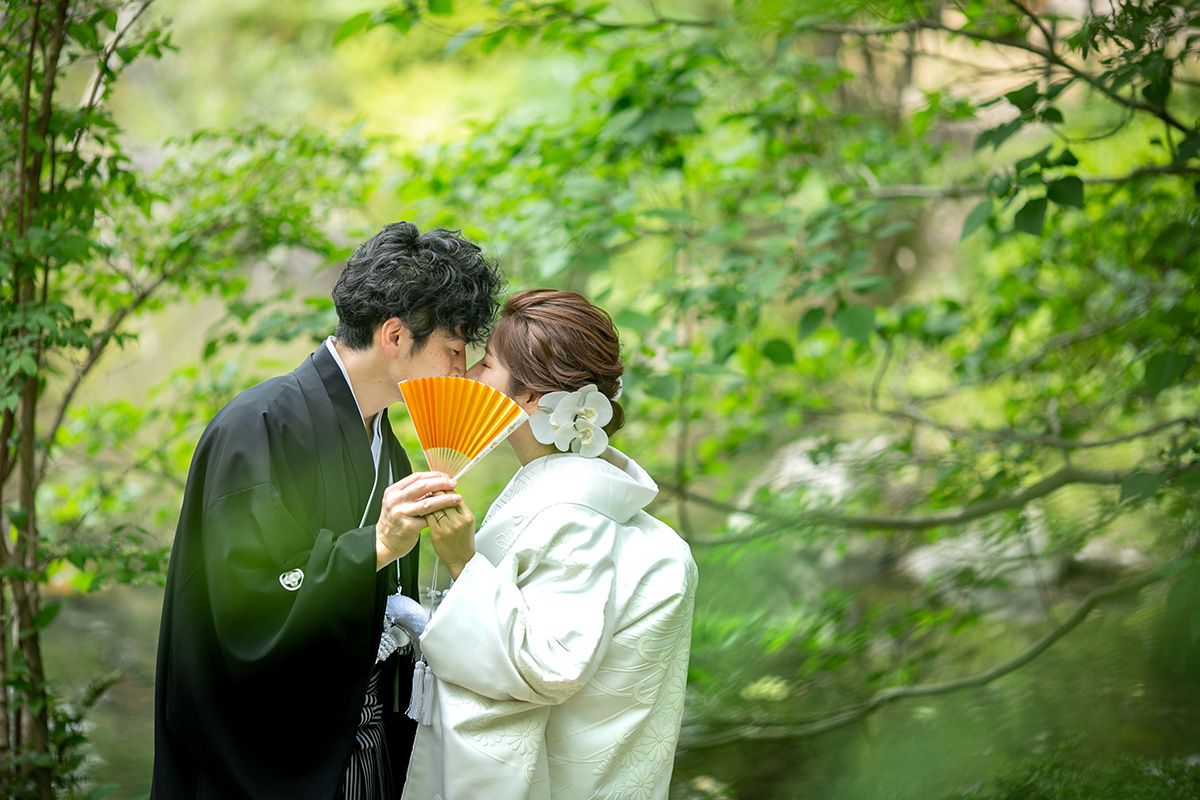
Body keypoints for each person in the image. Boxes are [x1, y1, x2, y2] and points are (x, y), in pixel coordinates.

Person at [151, 221, 504, 800]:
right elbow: (244, 607)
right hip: (269, 754)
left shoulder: (384, 442)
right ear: (395, 335)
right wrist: (375, 546)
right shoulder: (259, 425)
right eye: (453, 349)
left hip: (359, 743)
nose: (462, 371)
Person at [400, 289, 699, 800]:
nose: (467, 375)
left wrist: (463, 564)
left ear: (531, 397)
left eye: (486, 363)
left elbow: (549, 667)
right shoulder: (578, 501)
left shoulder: (574, 519)